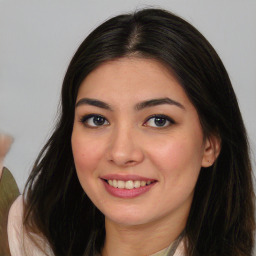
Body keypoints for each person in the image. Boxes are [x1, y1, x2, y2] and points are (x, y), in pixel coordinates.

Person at [7, 8, 255, 256]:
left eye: (158, 121)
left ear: (210, 144)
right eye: (97, 119)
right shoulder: (17, 238)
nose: (121, 152)